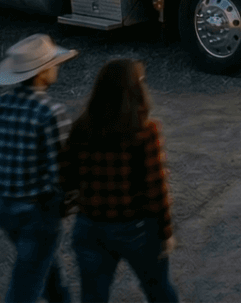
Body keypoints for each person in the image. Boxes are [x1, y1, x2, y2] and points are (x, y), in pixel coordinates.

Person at [61, 59, 180, 303]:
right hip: (135, 228)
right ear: (135, 89)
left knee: (93, 297)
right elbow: (155, 189)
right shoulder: (145, 131)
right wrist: (165, 232)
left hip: (90, 226)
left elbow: (66, 177)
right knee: (158, 290)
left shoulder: (81, 128)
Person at [0, 34, 77, 303]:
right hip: (39, 212)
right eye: (53, 64)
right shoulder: (51, 111)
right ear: (42, 72)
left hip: (5, 208)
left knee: (45, 270)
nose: (57, 68)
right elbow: (65, 171)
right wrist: (68, 203)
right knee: (26, 285)